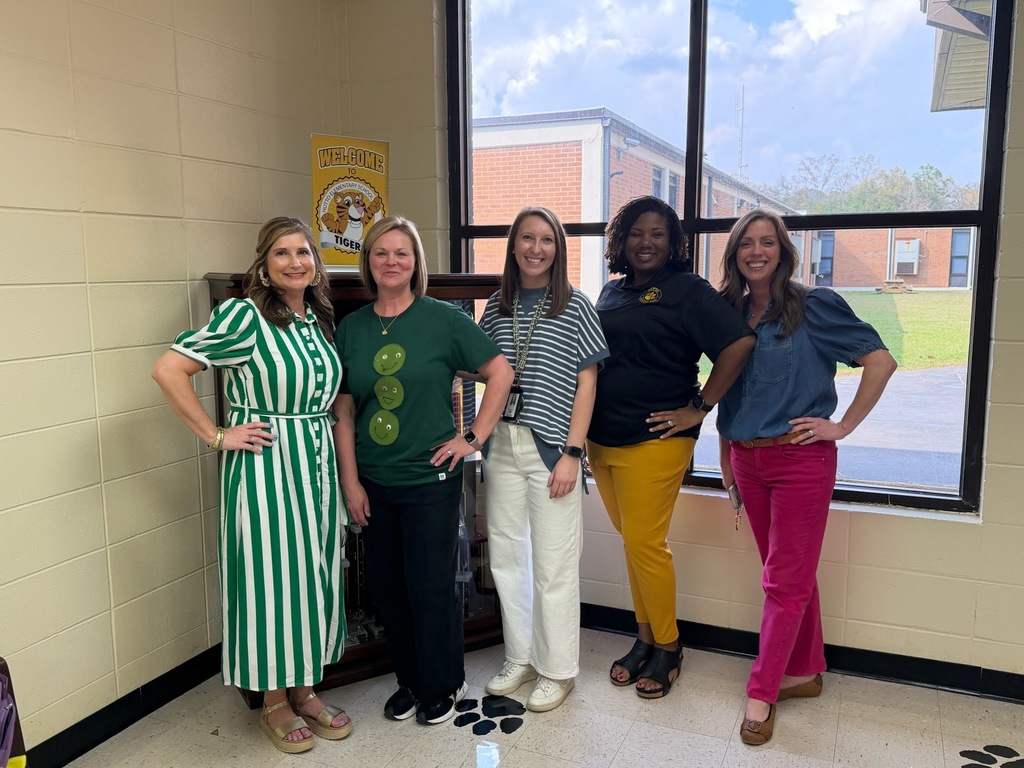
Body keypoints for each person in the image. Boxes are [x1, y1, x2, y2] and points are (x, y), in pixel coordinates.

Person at [151, 217, 352, 754]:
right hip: (264, 467)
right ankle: (273, 702)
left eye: (303, 252)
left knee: (311, 575)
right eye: (282, 253)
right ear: (264, 264)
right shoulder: (243, 315)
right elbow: (169, 370)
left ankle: (306, 689)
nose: (295, 262)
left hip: (313, 465)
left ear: (316, 261)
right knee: (270, 583)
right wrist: (217, 435)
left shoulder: (317, 317)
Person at [716, 209, 897, 745]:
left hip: (801, 462)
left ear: (783, 250)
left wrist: (840, 426)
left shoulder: (812, 306)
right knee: (790, 576)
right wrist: (727, 466)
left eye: (767, 242)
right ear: (734, 253)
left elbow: (880, 362)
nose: (756, 252)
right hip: (747, 460)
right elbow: (729, 390)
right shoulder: (727, 311)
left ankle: (762, 692)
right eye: (746, 243)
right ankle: (807, 671)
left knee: (782, 581)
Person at [332, 216, 514, 726]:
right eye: (381, 253)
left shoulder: (443, 320)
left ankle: (442, 684)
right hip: (373, 480)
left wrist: (472, 437)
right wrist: (350, 482)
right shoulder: (353, 328)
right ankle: (408, 681)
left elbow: (500, 371)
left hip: (430, 478)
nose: (392, 261)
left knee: (430, 584)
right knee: (388, 587)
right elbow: (344, 411)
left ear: (416, 263)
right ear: (369, 262)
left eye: (402, 253)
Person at [587, 196, 755, 699]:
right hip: (603, 437)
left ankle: (670, 646)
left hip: (657, 439)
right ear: (622, 240)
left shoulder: (687, 290)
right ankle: (644, 640)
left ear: (673, 242)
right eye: (637, 233)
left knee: (646, 545)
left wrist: (699, 407)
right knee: (635, 545)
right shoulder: (611, 293)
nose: (646, 242)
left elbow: (739, 343)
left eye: (658, 234)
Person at [475, 206, 609, 712]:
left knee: (554, 564)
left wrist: (574, 453)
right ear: (513, 247)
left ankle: (558, 669)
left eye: (546, 240)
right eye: (526, 239)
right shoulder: (495, 305)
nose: (536, 248)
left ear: (559, 248)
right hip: (501, 447)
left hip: (552, 448)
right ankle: (521, 657)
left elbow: (588, 382)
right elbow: (480, 369)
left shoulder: (575, 305)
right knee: (508, 560)